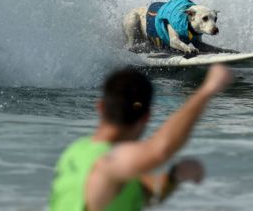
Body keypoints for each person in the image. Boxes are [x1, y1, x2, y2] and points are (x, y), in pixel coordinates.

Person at [49, 64, 233, 211]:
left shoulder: (74, 152)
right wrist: (208, 89)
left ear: (100, 107)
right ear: (147, 117)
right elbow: (161, 150)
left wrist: (174, 177)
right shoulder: (109, 160)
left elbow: (139, 197)